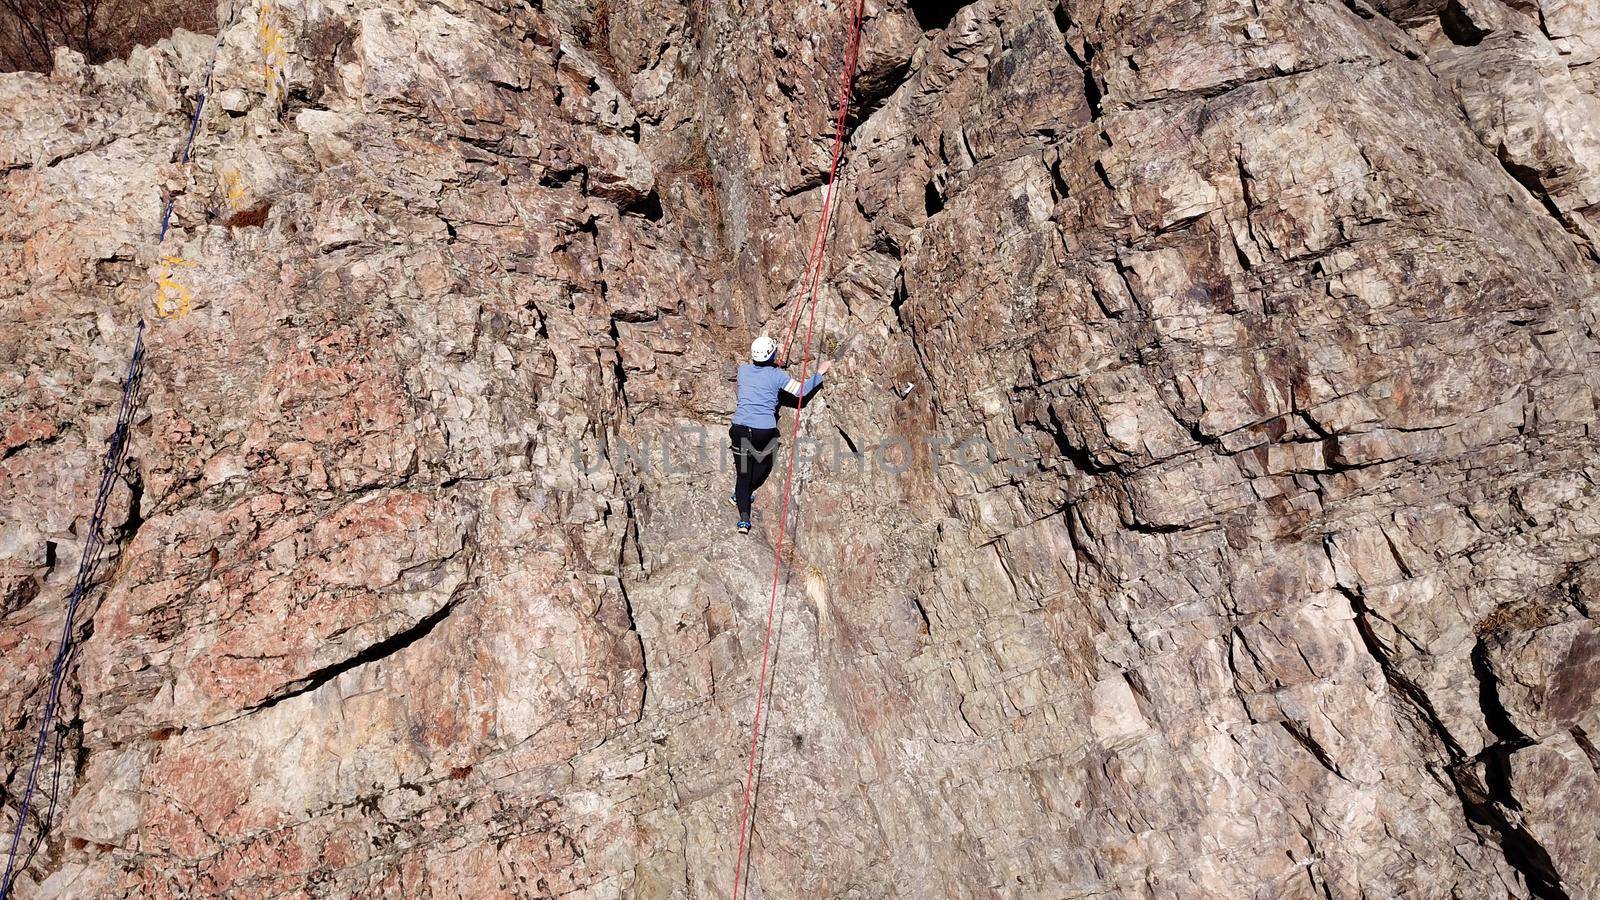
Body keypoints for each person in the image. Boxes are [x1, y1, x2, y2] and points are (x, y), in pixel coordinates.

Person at [729, 334, 831, 533]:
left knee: (742, 473)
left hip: (739, 428)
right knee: (764, 462)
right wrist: (819, 373)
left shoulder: (743, 371)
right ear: (771, 355)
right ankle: (745, 493)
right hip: (763, 432)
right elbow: (801, 391)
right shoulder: (778, 376)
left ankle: (743, 519)